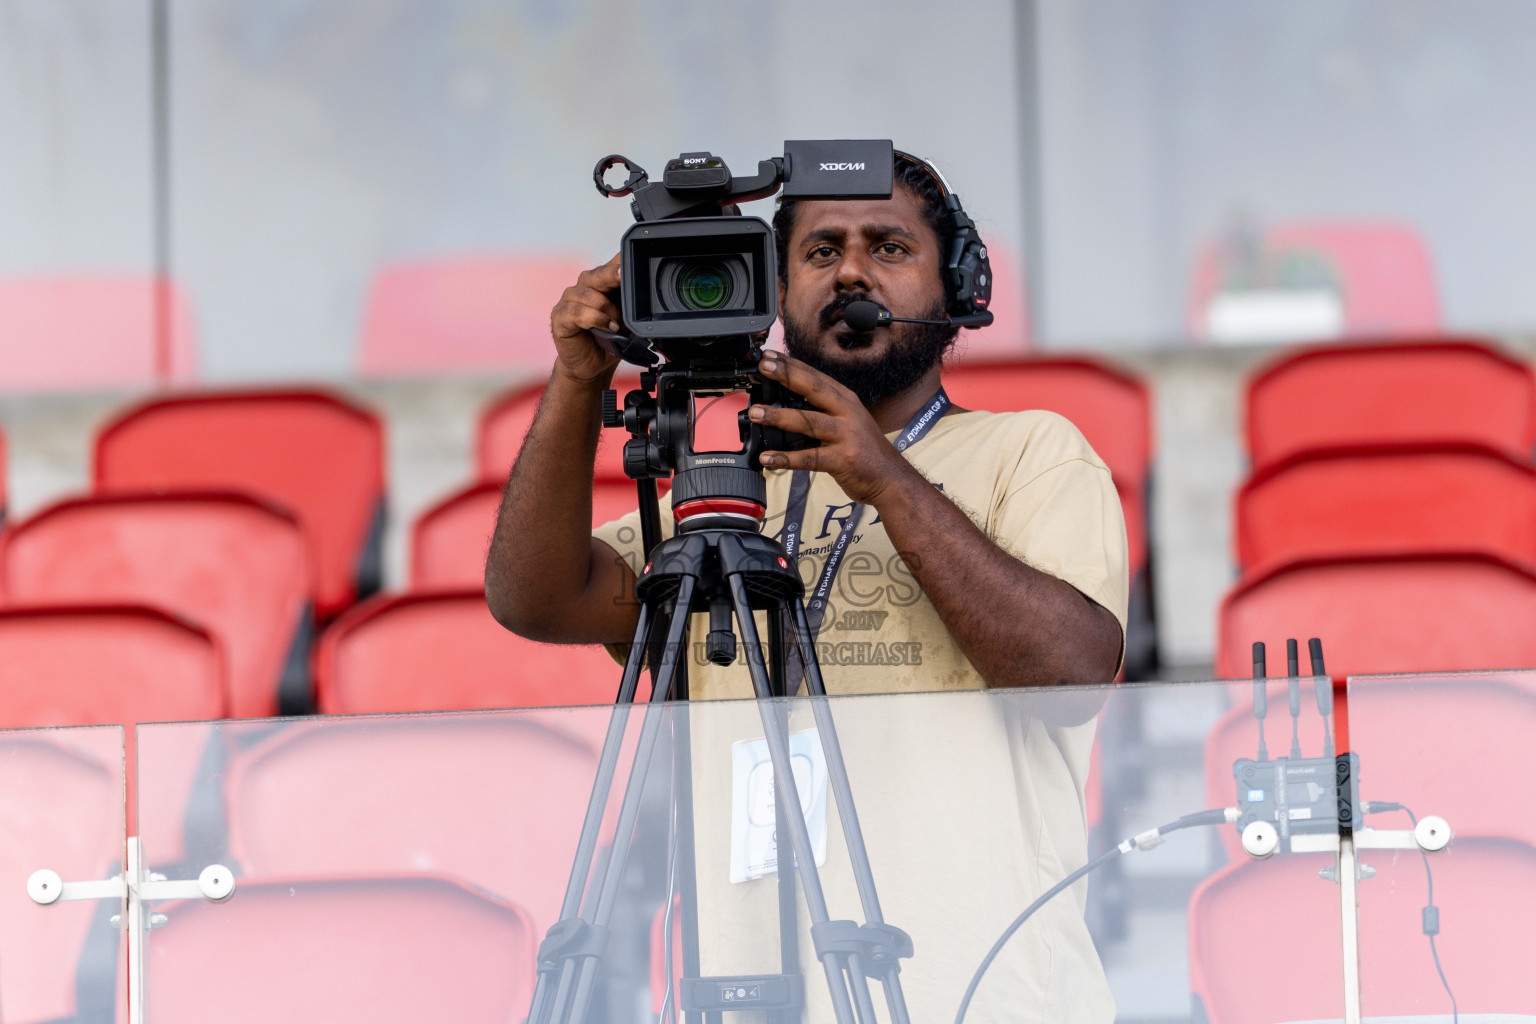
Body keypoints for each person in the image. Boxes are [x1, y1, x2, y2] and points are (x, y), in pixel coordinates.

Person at [487, 153, 1127, 1022]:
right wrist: (577, 378)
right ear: (775, 293)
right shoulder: (724, 489)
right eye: (822, 252)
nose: (852, 271)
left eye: (889, 247)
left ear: (957, 283)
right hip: (751, 994)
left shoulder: (1033, 451)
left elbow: (1070, 673)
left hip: (977, 996)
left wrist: (886, 480)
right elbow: (535, 597)